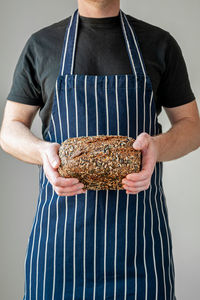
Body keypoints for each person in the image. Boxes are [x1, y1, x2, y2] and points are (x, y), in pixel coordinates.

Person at [0, 0, 200, 299]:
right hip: (60, 249)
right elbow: (10, 128)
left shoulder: (159, 44)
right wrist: (43, 152)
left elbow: (191, 126)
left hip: (138, 247)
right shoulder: (41, 45)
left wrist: (156, 147)